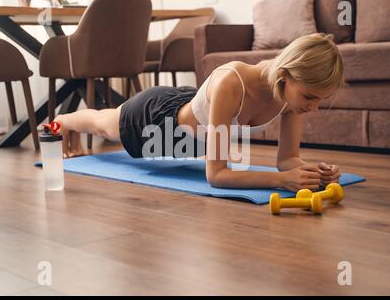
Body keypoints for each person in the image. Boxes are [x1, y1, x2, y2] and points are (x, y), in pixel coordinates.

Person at [53, 33, 345, 191]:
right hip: (158, 122)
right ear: (284, 75)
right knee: (105, 124)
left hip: (193, 107)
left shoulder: (292, 94)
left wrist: (312, 172)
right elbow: (217, 175)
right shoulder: (234, 83)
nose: (313, 108)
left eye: (320, 100)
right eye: (310, 97)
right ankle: (63, 121)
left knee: (107, 120)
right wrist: (281, 181)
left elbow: (287, 160)